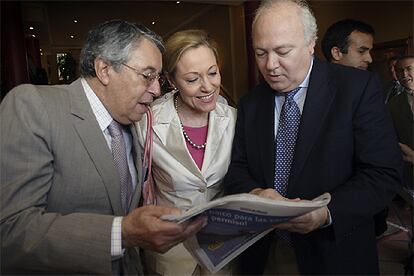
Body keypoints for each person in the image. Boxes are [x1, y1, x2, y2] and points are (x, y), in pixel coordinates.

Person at [0, 20, 205, 275]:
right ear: (104, 69)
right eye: (147, 76)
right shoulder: (33, 106)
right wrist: (122, 233)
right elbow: (10, 231)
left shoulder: (133, 122)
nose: (155, 90)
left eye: (158, 78)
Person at [223, 0, 402, 274]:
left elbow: (383, 173)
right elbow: (237, 170)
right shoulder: (251, 103)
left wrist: (326, 212)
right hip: (265, 253)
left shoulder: (357, 89)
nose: (270, 65)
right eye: (260, 52)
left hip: (335, 254)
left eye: (282, 51)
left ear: (310, 43)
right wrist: (256, 194)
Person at [136, 29, 237, 275]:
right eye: (192, 79)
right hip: (171, 250)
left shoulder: (234, 119)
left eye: (213, 73)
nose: (208, 87)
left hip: (222, 247)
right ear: (171, 81)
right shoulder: (147, 122)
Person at [322, 18, 389, 237]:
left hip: (363, 204)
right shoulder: (306, 93)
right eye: (361, 51)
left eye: (369, 51)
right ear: (336, 52)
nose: (369, 58)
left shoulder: (368, 86)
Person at [387, 55, 414, 189]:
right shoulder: (393, 104)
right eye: (400, 71)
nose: (404, 74)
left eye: (409, 69)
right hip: (408, 174)